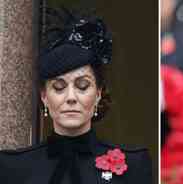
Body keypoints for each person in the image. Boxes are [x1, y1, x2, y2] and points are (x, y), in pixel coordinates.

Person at [0, 13, 152, 184]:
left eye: (82, 86)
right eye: (59, 87)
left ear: (98, 94)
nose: (71, 97)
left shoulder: (134, 166)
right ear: (44, 96)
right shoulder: (12, 168)